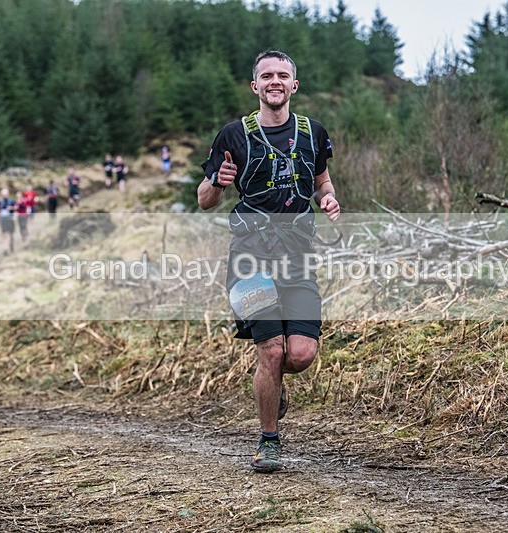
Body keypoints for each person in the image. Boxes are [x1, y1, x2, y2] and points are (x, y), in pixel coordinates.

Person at [198, 50, 340, 473]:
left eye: (282, 75)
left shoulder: (313, 132)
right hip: (249, 259)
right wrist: (216, 182)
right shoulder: (233, 135)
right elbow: (204, 200)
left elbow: (322, 182)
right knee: (272, 352)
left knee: (300, 354)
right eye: (266, 76)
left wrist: (328, 198)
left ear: (294, 85)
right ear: (255, 86)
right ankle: (268, 441)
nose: (274, 81)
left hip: (297, 258)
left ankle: (272, 388)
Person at [0, 188, 16, 254]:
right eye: (3, 194)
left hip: (10, 219)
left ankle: (11, 246)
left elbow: (16, 207)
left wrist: (11, 208)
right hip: (3, 220)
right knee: (4, 234)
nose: (4, 196)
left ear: (8, 194)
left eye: (5, 194)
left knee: (11, 234)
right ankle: (5, 248)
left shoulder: (11, 201)